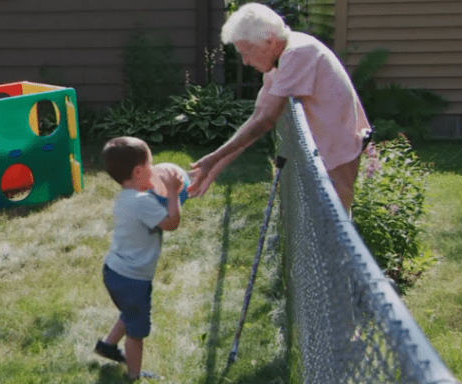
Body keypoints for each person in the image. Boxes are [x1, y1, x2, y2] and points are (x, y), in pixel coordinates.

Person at [188, 3, 371, 212]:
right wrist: (214, 168)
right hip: (324, 153)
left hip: (338, 155)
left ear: (270, 40)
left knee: (333, 229)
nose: (245, 61)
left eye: (246, 52)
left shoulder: (297, 53)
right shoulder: (280, 60)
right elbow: (257, 117)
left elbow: (266, 120)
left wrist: (213, 158)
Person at [94, 136, 183, 381]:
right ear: (137, 171)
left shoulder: (125, 198)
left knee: (130, 310)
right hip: (132, 278)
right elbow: (172, 223)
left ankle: (108, 346)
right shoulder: (144, 203)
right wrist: (174, 193)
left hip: (114, 271)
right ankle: (134, 375)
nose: (155, 170)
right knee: (137, 330)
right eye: (151, 165)